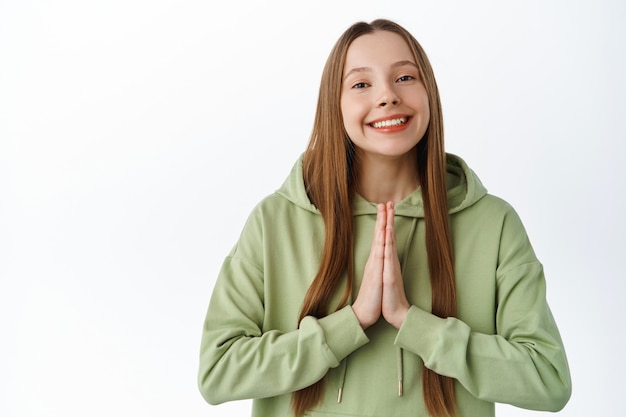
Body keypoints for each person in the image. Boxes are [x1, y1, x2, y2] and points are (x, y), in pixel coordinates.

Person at [197, 19, 572, 417]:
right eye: (361, 84)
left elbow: (548, 380)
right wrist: (351, 322)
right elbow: (218, 373)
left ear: (429, 93)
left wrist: (412, 322)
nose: (387, 96)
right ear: (334, 104)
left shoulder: (493, 224)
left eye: (405, 77)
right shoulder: (275, 221)